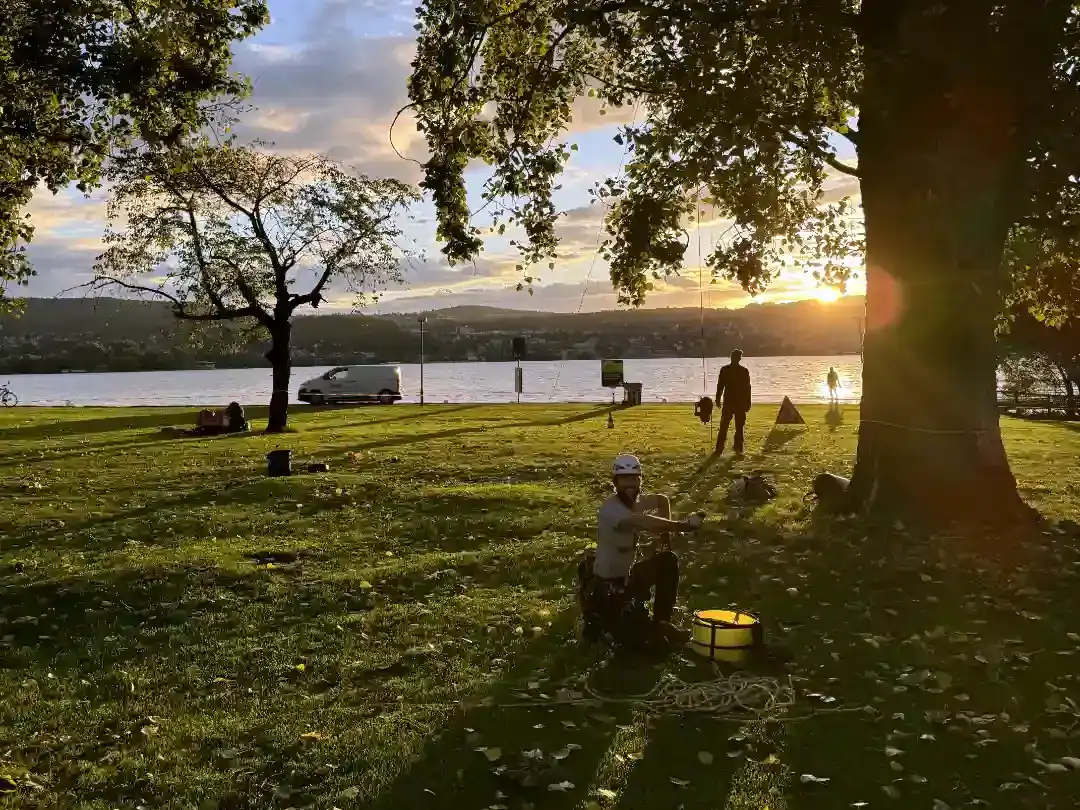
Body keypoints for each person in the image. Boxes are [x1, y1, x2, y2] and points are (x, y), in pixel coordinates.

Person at [585, 454, 706, 647]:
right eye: (625, 479)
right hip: (609, 589)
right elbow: (643, 522)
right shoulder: (611, 509)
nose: (630, 484)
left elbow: (661, 500)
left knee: (668, 561)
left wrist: (665, 537)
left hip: (629, 578)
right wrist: (682, 526)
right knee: (640, 646)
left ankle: (662, 622)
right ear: (615, 482)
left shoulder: (637, 502)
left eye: (634, 478)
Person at [714, 348, 752, 455]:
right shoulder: (742, 371)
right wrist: (717, 398)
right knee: (729, 425)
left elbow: (720, 386)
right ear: (737, 358)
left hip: (733, 402)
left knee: (732, 426)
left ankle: (728, 447)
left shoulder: (727, 370)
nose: (739, 359)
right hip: (734, 402)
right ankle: (733, 447)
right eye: (739, 357)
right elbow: (747, 388)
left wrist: (718, 398)